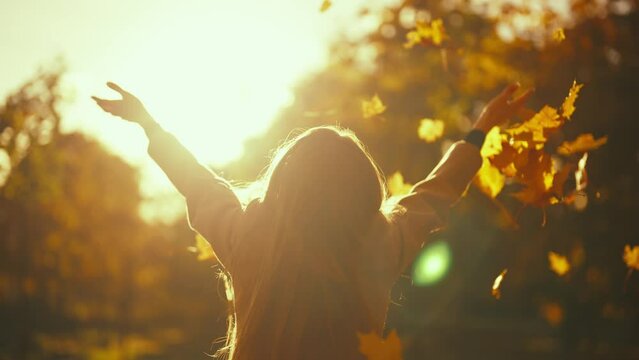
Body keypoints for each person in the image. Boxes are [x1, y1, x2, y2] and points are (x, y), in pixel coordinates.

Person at [93, 82, 531, 359]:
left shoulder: (252, 238)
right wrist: (480, 129)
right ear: (363, 189)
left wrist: (149, 125)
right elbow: (436, 190)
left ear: (286, 180)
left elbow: (198, 183)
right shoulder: (381, 243)